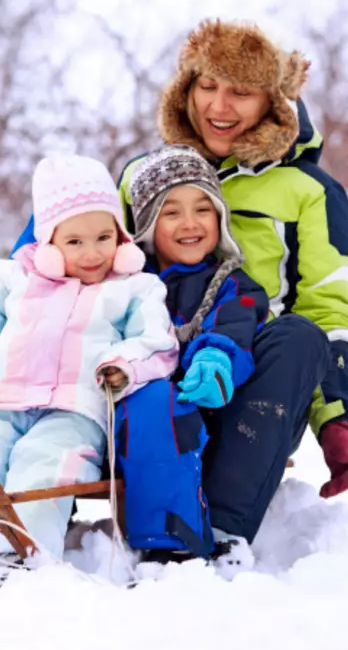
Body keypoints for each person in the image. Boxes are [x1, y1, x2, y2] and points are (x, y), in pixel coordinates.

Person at [116, 19, 348, 565]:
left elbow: (326, 309)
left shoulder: (309, 192)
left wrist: (336, 417)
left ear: (273, 102)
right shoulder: (143, 174)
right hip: (149, 367)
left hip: (252, 388)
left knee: (298, 335)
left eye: (241, 92)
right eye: (207, 86)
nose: (219, 106)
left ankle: (221, 532)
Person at [0, 154, 180, 591]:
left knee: (46, 467)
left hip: (74, 410)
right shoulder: (7, 280)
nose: (93, 253)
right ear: (48, 240)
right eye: (74, 241)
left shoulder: (135, 288)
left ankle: (21, 557)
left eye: (104, 237)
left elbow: (158, 344)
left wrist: (123, 365)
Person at [116, 145, 270, 568]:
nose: (190, 224)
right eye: (171, 212)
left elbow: (234, 325)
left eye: (203, 209)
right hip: (109, 402)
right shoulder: (122, 281)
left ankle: (171, 541)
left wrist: (215, 359)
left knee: (161, 404)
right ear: (147, 223)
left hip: (191, 411)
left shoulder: (231, 284)